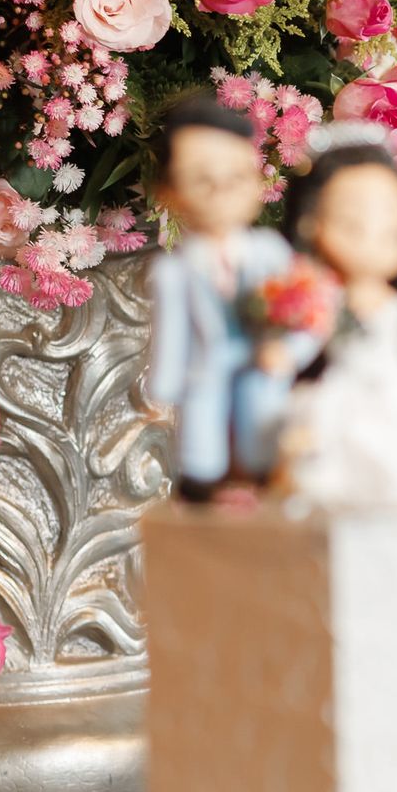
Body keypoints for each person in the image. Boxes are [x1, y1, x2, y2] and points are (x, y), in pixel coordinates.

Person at [271, 132, 397, 505]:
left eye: (392, 230)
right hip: (343, 395)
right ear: (311, 223)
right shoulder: (323, 295)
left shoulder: (395, 303)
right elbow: (303, 341)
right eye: (353, 225)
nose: (373, 238)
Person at [144, 94, 309, 504]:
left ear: (257, 184)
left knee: (264, 443)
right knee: (201, 455)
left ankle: (263, 485)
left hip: (262, 369)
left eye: (236, 178)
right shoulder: (174, 271)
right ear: (169, 191)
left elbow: (308, 310)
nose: (220, 191)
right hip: (204, 374)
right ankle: (204, 494)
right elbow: (171, 334)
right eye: (201, 179)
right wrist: (161, 393)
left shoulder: (271, 253)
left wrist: (290, 352)